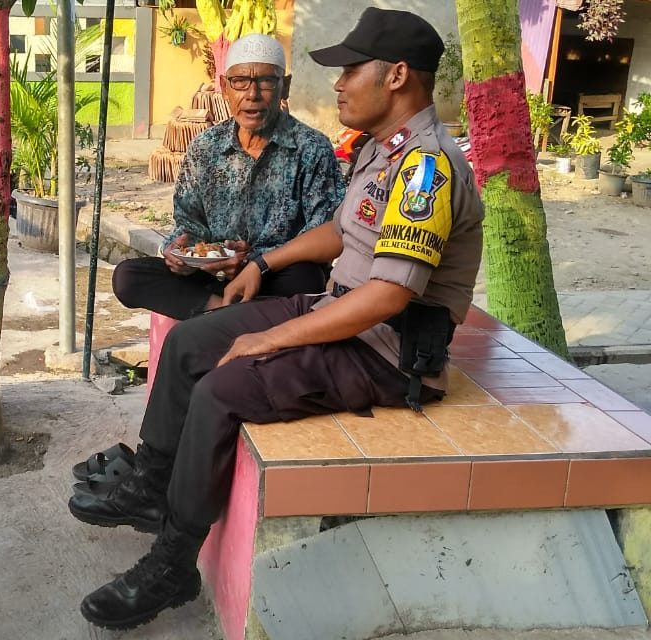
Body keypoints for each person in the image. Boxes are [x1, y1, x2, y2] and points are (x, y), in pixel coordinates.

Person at [68, 6, 485, 631]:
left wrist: (270, 335)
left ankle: (173, 563)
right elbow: (338, 234)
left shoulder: (427, 167)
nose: (338, 84)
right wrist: (262, 263)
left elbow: (387, 298)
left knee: (218, 391)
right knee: (187, 344)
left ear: (396, 76)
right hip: (334, 309)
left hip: (383, 350)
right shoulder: (382, 152)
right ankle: (156, 486)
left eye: (349, 69)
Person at [110, 33, 346, 321]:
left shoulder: (312, 148)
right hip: (212, 276)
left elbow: (325, 233)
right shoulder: (205, 146)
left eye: (267, 81)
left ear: (285, 87)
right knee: (129, 276)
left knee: (306, 278)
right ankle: (226, 311)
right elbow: (189, 223)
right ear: (224, 87)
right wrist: (178, 252)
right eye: (240, 82)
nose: (252, 94)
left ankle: (224, 316)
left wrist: (254, 263)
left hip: (273, 277)